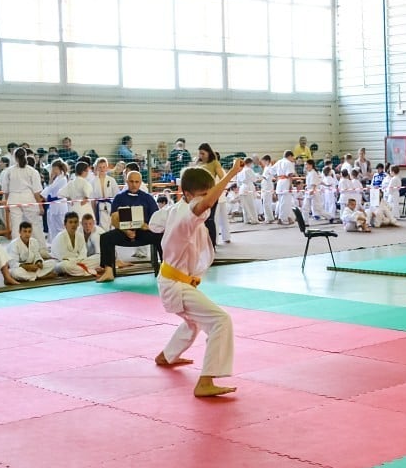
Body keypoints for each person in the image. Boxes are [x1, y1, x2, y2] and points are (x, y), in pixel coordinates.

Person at [154, 160, 243, 398]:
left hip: (175, 280)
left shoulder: (177, 209)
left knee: (193, 322)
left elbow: (155, 222)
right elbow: (208, 201)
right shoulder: (188, 215)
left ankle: (167, 355)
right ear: (188, 193)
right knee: (221, 321)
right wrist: (232, 173)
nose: (208, 200)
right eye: (203, 194)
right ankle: (206, 381)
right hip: (176, 284)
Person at [96, 171, 162, 282]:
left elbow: (156, 218)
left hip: (143, 232)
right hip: (124, 232)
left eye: (137, 182)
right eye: (131, 181)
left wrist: (147, 226)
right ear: (127, 182)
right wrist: (126, 231)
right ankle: (108, 271)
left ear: (141, 182)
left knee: (161, 236)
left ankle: (165, 269)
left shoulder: (147, 198)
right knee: (105, 237)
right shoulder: (119, 197)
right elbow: (114, 219)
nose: (134, 184)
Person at [2, 147, 45, 240]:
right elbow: (36, 191)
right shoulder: (32, 171)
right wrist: (40, 206)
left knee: (16, 225)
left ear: (14, 157)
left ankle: (16, 248)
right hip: (28, 199)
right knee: (34, 224)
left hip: (13, 200)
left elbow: (6, 190)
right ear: (26, 156)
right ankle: (41, 248)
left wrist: (6, 203)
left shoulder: (9, 171)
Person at [51, 211, 99, 276]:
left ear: (78, 224)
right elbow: (63, 257)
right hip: (62, 263)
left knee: (98, 258)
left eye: (75, 222)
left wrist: (78, 260)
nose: (73, 224)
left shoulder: (80, 236)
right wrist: (77, 259)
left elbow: (83, 253)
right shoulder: (60, 237)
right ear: (65, 224)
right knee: (64, 265)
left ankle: (77, 272)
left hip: (78, 262)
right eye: (70, 222)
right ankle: (89, 270)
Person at [274, 150, 297, 225]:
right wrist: (290, 185)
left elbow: (272, 171)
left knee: (282, 202)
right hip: (285, 183)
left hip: (279, 182)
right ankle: (282, 218)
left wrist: (278, 178)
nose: (292, 159)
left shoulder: (278, 162)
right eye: (292, 157)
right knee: (285, 202)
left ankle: (288, 218)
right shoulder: (288, 163)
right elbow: (290, 175)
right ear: (289, 156)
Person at [259, 155, 276, 223]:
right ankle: (269, 217)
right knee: (266, 202)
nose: (262, 163)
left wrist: (260, 177)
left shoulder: (270, 168)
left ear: (267, 161)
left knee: (266, 203)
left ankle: (268, 218)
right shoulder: (266, 167)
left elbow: (268, 177)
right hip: (265, 185)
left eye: (263, 161)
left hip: (267, 186)